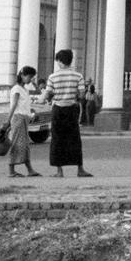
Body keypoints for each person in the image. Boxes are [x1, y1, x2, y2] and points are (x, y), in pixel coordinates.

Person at [45, 49, 93, 178]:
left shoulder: (52, 77)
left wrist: (51, 98)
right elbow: (82, 94)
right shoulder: (78, 76)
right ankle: (80, 169)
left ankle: (59, 171)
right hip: (72, 109)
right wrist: (75, 98)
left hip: (58, 110)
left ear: (60, 61)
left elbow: (48, 94)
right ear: (70, 60)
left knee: (57, 139)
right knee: (74, 139)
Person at [5, 67, 41, 178]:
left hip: (24, 118)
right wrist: (7, 120)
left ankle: (30, 169)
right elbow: (14, 105)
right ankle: (11, 170)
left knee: (25, 145)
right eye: (29, 77)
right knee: (16, 143)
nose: (30, 79)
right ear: (22, 75)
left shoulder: (24, 89)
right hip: (18, 118)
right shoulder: (16, 89)